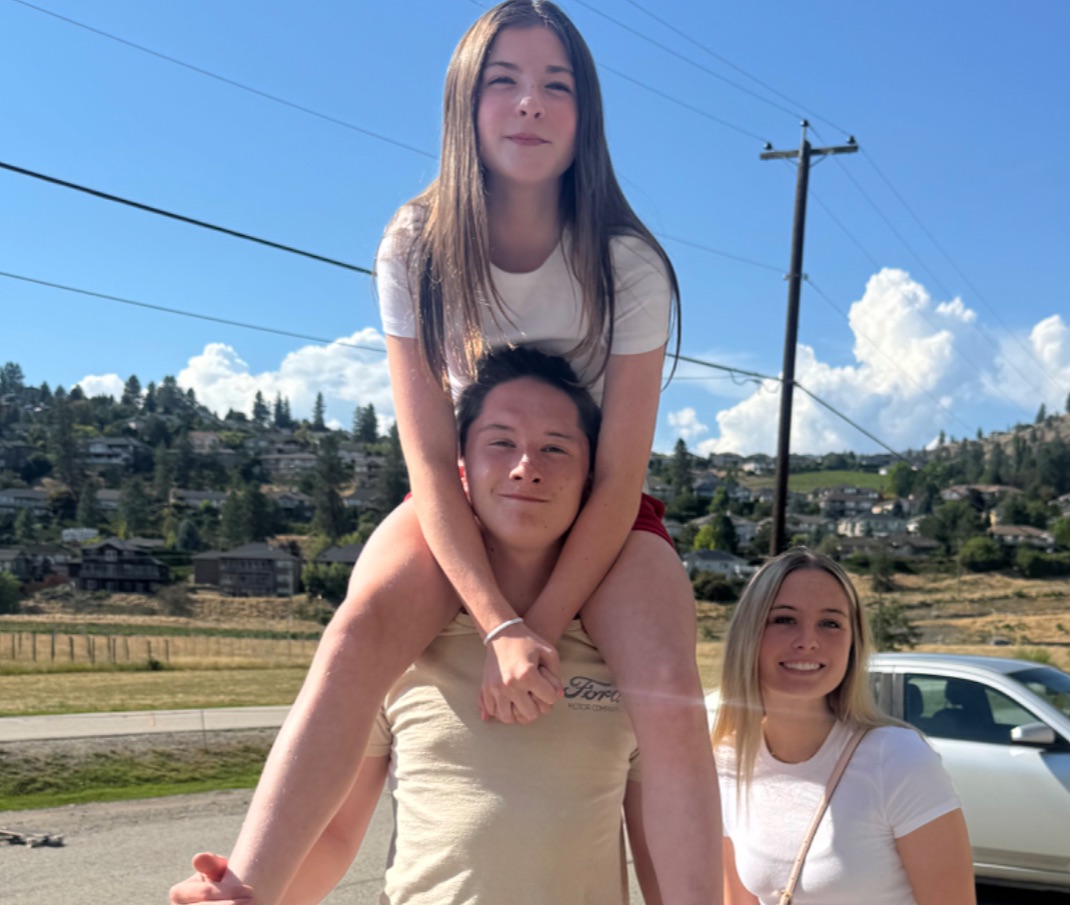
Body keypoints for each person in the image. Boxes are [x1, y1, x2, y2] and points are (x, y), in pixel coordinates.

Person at [175, 2, 719, 903]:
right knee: (354, 628)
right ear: (465, 107)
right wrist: (496, 624)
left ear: (585, 114)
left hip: (594, 503)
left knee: (667, 685)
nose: (529, 104)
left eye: (556, 85)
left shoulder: (629, 264)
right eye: (502, 81)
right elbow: (430, 459)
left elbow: (621, 476)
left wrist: (538, 627)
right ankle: (244, 887)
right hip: (466, 491)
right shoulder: (417, 244)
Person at [170, 349, 660, 905]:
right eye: (500, 442)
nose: (527, 465)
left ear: (592, 475)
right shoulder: (403, 650)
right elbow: (332, 834)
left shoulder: (625, 661)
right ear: (460, 471)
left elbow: (658, 853)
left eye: (555, 446)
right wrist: (243, 896)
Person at [710, 549, 975, 905]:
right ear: (748, 635)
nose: (808, 640)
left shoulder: (897, 759)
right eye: (784, 620)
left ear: (854, 644)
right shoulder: (728, 760)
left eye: (830, 623)